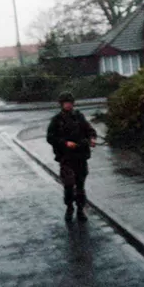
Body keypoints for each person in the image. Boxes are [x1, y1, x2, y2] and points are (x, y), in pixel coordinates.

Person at [47, 92, 97, 222]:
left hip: (80, 155)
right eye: (66, 103)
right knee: (69, 184)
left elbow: (89, 130)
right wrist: (65, 143)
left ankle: (80, 210)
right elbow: (50, 137)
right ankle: (69, 207)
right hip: (66, 157)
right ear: (62, 104)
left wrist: (92, 138)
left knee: (80, 185)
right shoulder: (57, 120)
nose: (68, 105)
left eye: (70, 103)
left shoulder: (79, 117)